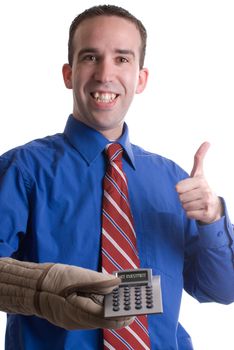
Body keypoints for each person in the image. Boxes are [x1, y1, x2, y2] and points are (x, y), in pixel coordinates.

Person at [0, 4, 234, 350]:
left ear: (140, 79)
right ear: (69, 73)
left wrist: (212, 218)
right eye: (90, 57)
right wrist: (43, 288)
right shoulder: (22, 170)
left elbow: (222, 290)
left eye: (122, 59)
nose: (105, 74)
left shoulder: (174, 180)